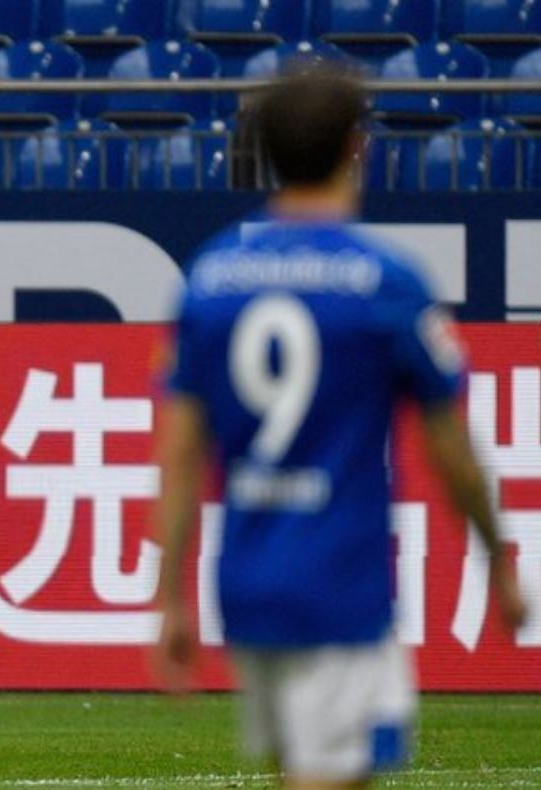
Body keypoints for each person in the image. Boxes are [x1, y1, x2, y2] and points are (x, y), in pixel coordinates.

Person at [154, 68, 528, 789]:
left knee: (301, 770)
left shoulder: (210, 277)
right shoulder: (383, 279)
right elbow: (448, 445)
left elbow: (176, 452)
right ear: (356, 147)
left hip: (247, 583)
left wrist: (170, 595)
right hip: (339, 584)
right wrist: (496, 558)